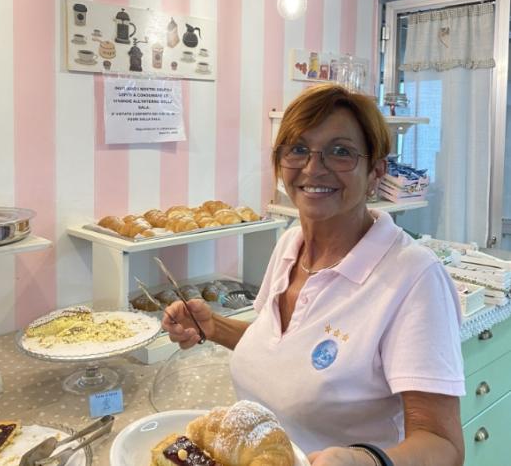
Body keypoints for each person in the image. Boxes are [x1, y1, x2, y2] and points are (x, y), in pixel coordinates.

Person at [162, 83, 465, 466]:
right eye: (298, 149)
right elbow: (284, 354)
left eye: (341, 152)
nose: (312, 167)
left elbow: (444, 446)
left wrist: (363, 461)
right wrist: (214, 327)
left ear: (375, 173)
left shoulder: (414, 277)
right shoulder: (290, 245)